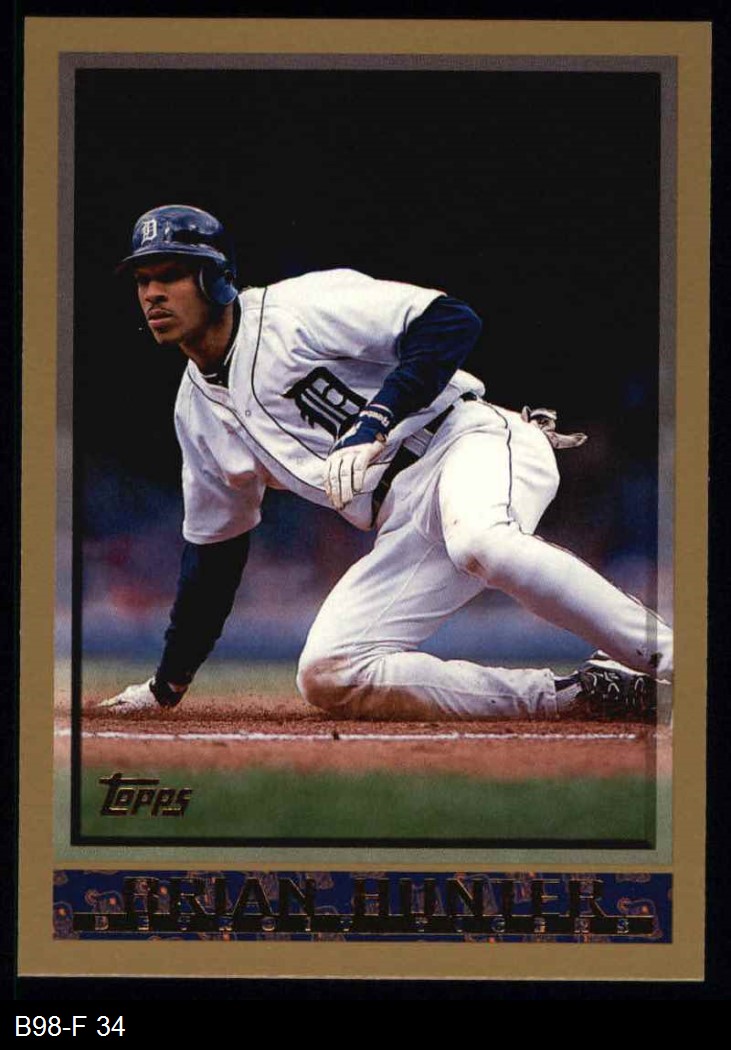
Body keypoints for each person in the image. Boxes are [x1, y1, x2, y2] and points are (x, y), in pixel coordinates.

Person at [100, 204, 672, 722]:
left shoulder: (293, 310)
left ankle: (677, 660)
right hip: (405, 516)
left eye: (171, 275)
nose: (153, 294)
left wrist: (375, 420)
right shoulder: (196, 412)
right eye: (143, 280)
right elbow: (214, 554)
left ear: (215, 278)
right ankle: (579, 694)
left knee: (482, 541)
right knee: (329, 672)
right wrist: (167, 684)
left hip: (467, 439)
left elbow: (450, 321)